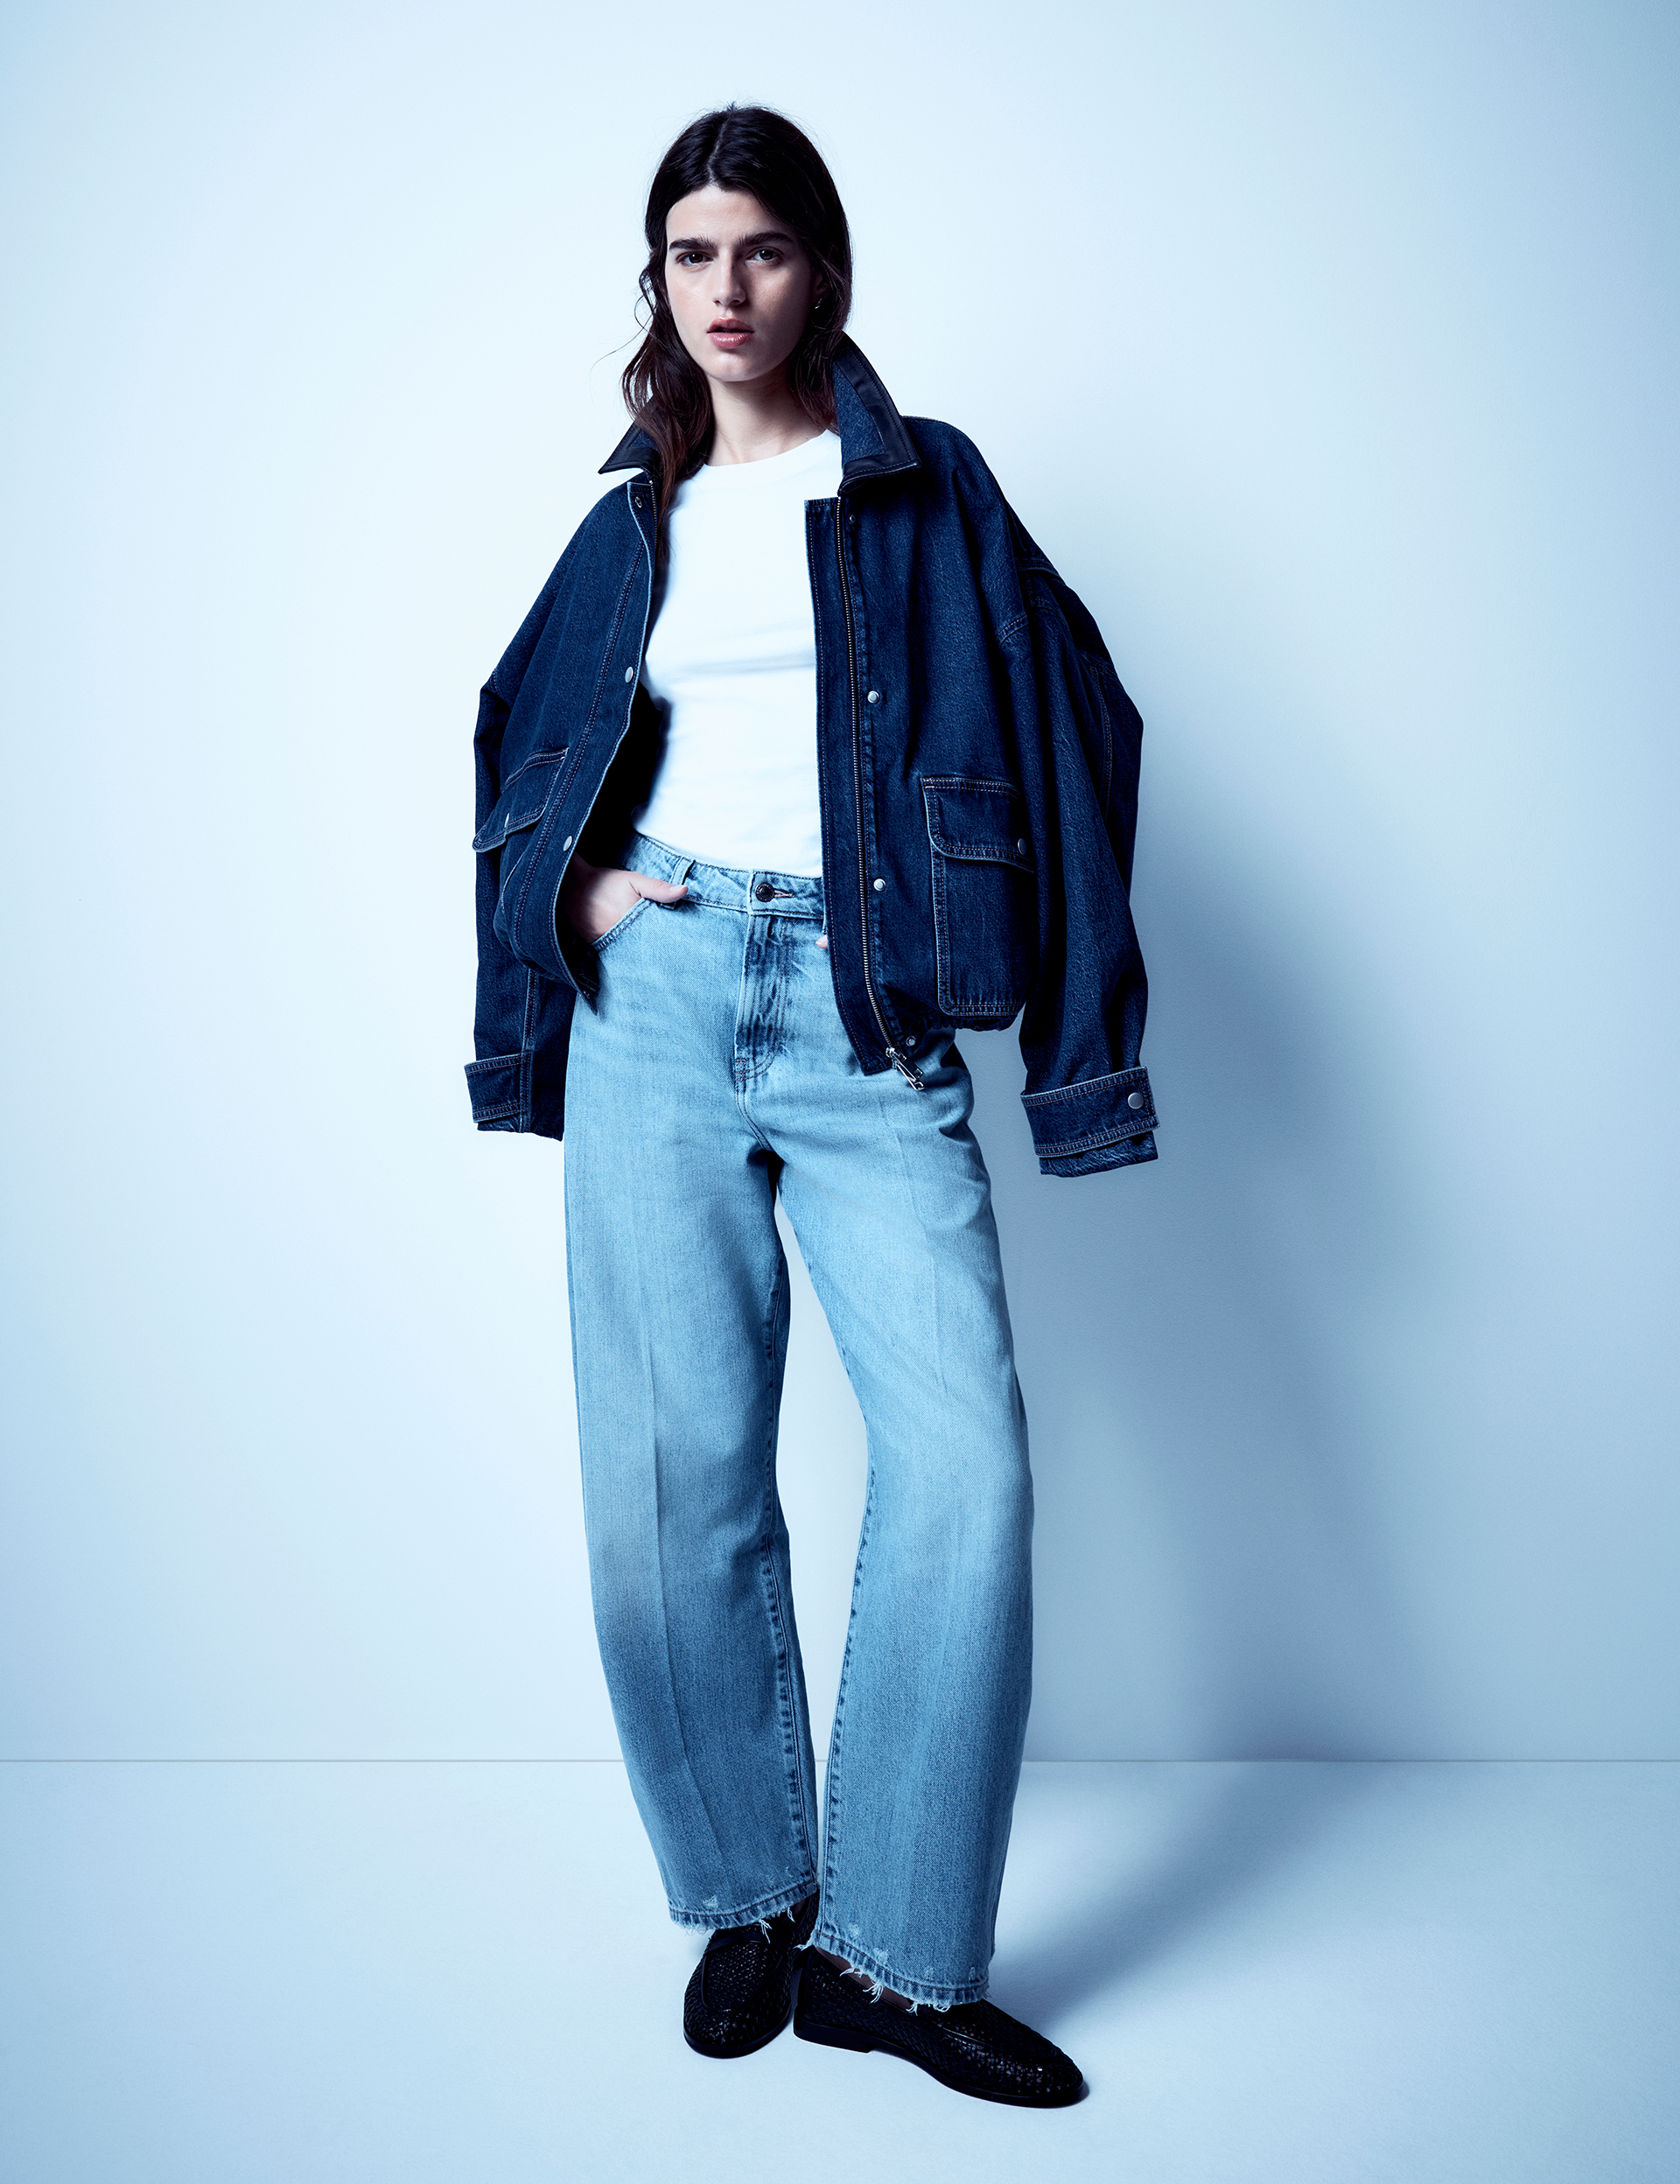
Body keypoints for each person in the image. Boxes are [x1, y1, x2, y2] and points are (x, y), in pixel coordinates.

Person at [467, 105, 1157, 2108]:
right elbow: (515, 737)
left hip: (869, 1006)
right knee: (668, 1486)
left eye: (761, 248)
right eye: (692, 253)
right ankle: (752, 1895)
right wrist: (575, 895)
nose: (728, 287)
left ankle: (896, 1957)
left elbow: (1079, 726)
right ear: (660, 282)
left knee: (968, 1473)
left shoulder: (924, 488)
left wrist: (1067, 1034)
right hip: (659, 1002)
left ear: (820, 270)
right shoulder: (633, 520)